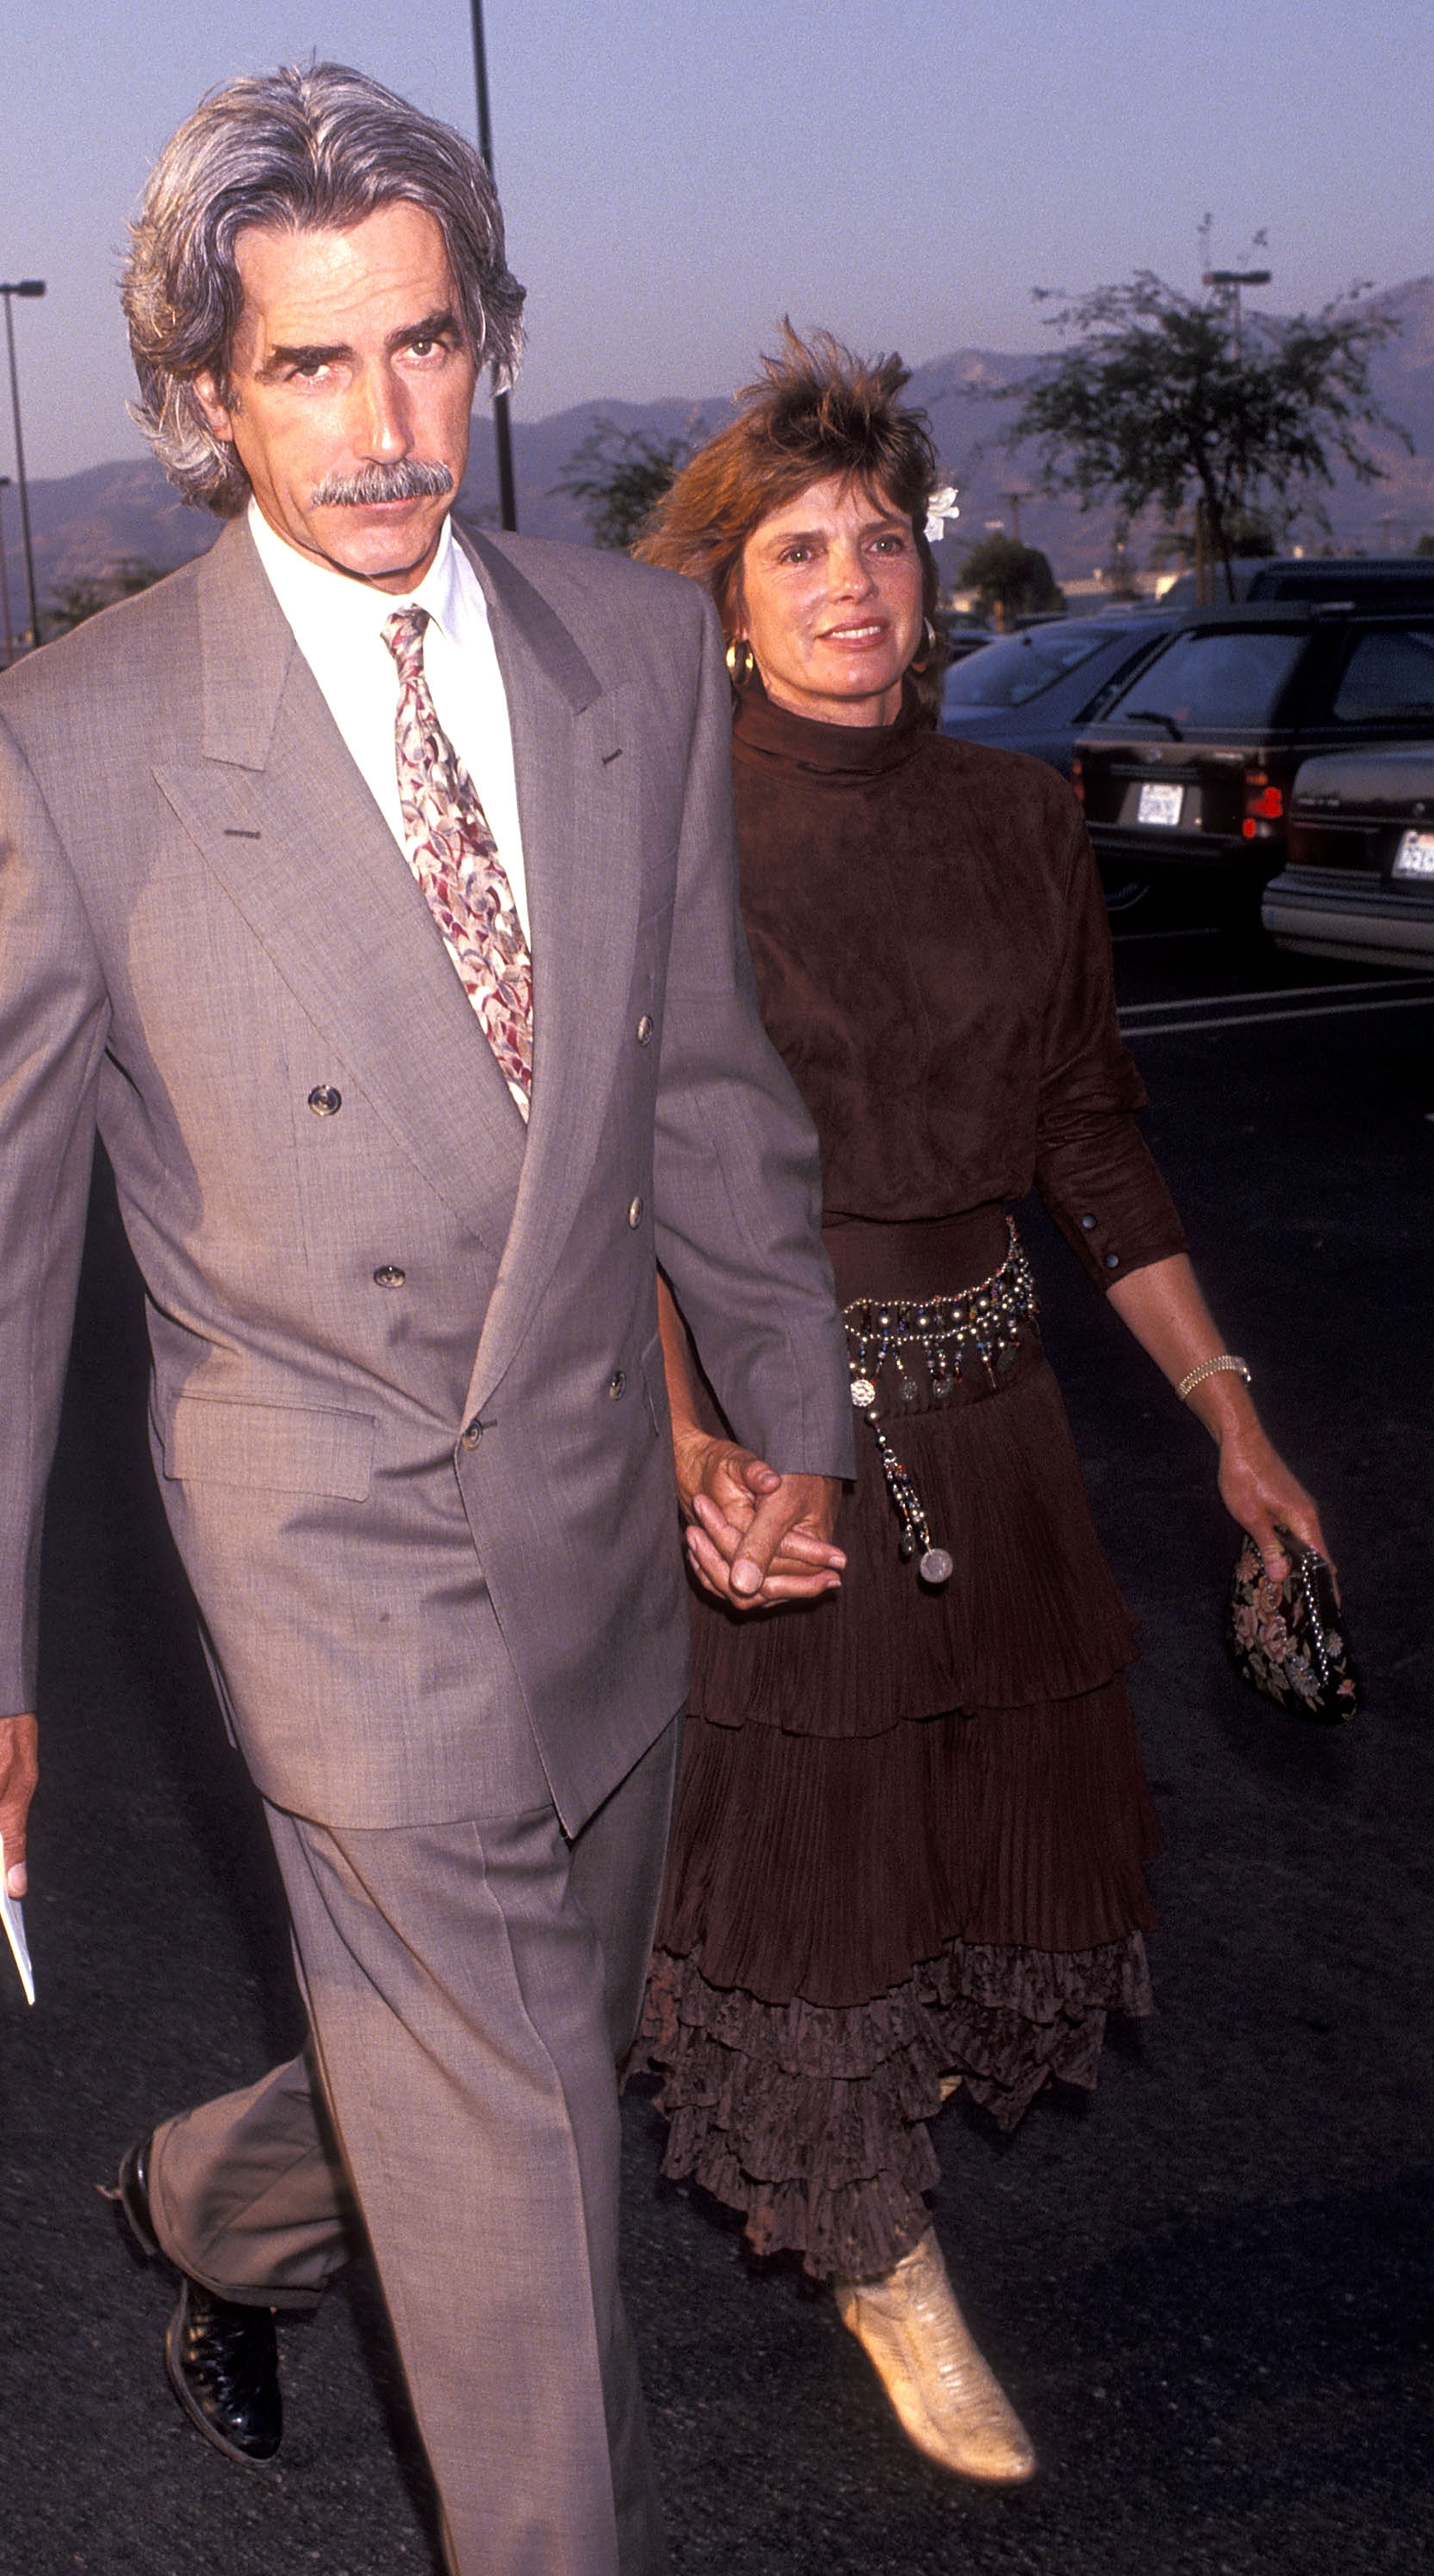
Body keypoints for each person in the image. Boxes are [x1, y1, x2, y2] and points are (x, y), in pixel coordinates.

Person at [0, 68, 857, 2576]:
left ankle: (219, 2203)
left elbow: (703, 1089)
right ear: (204, 396)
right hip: (327, 1537)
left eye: (422, 349)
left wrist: (787, 1422)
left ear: (485, 343)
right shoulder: (70, 752)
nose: (383, 425)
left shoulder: (639, 653)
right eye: (309, 366)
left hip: (604, 1532)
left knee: (526, 2046)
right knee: (528, 2190)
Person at [634, 332, 1330, 2486]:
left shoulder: (1019, 818)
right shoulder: (663, 828)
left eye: (879, 544)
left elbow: (1092, 1141)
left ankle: (823, 2159)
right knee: (773, 1890)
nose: (851, 584)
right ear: (727, 596)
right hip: (772, 1424)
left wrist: (1227, 1416)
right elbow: (608, 1184)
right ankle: (877, 2255)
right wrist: (688, 1442)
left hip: (993, 1410)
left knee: (931, 1863)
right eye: (796, 550)